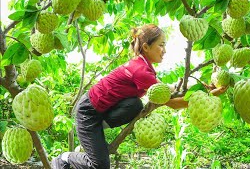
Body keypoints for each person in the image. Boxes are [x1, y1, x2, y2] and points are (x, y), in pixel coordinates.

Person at [51, 24, 226, 169]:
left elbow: (170, 89)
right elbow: (171, 102)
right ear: (146, 47)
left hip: (103, 112)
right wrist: (208, 95)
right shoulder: (140, 70)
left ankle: (96, 133)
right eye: (161, 45)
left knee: (136, 105)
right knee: (100, 167)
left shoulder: (144, 67)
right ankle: (64, 158)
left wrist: (202, 88)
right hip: (88, 113)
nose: (164, 50)